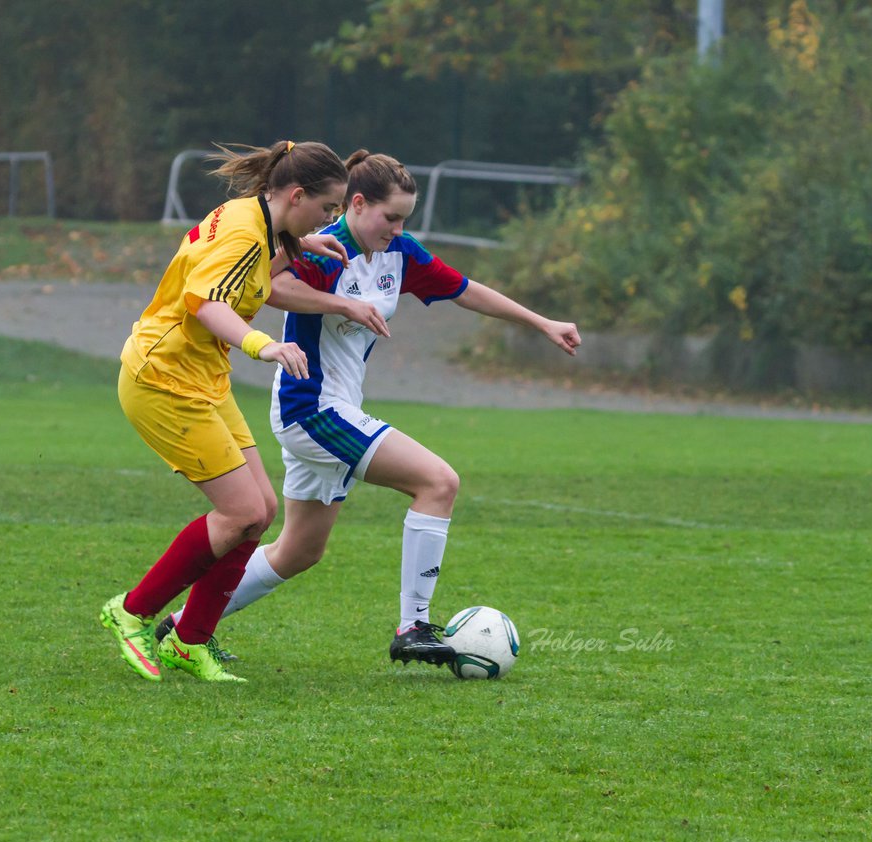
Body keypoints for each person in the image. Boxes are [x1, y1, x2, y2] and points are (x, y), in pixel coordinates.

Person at [158, 150, 581, 667]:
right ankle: (415, 626)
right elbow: (270, 286)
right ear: (356, 205)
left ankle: (180, 629)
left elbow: (465, 290)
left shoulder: (399, 253)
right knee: (438, 483)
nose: (399, 228)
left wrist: (543, 323)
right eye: (392, 217)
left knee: (298, 552)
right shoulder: (323, 247)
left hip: (335, 410)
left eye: (406, 217)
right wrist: (342, 303)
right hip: (312, 408)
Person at [100, 141, 390, 683]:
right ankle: (131, 612)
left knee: (259, 511)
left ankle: (189, 642)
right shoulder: (242, 233)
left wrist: (301, 246)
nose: (331, 218)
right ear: (296, 194)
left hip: (201, 379)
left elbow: (250, 278)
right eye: (327, 208)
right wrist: (266, 346)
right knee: (239, 513)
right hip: (163, 380)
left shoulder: (254, 220)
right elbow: (207, 304)